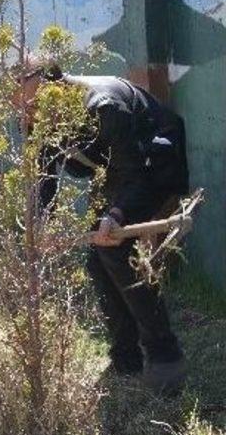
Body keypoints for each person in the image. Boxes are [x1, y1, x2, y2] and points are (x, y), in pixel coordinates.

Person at [14, 63, 189, 394]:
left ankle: (166, 356)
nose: (26, 114)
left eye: (31, 105)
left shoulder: (104, 107)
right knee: (97, 262)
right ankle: (126, 356)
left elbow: (135, 174)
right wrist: (39, 221)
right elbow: (45, 173)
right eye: (20, 106)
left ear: (57, 90)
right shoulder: (46, 113)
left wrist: (117, 214)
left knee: (116, 253)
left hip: (154, 163)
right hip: (118, 171)